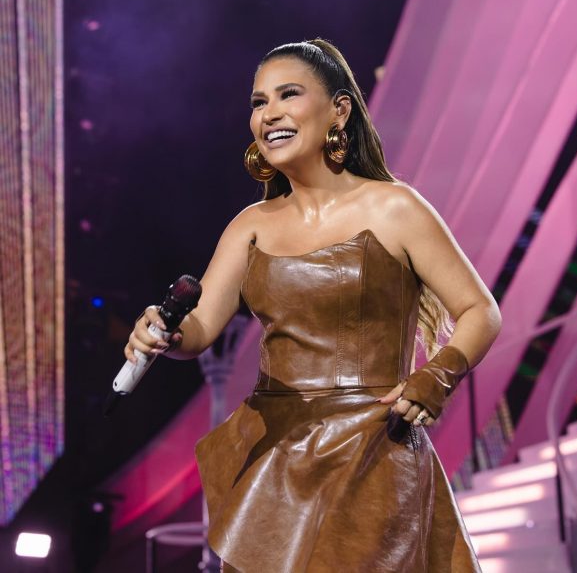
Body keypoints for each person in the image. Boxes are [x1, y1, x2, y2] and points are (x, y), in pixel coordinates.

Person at [125, 39, 501, 572]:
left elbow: (481, 310)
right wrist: (162, 333)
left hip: (374, 453)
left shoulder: (394, 207)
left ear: (339, 110)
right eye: (259, 102)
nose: (269, 113)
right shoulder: (250, 226)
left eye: (288, 95)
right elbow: (200, 328)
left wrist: (436, 378)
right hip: (275, 460)